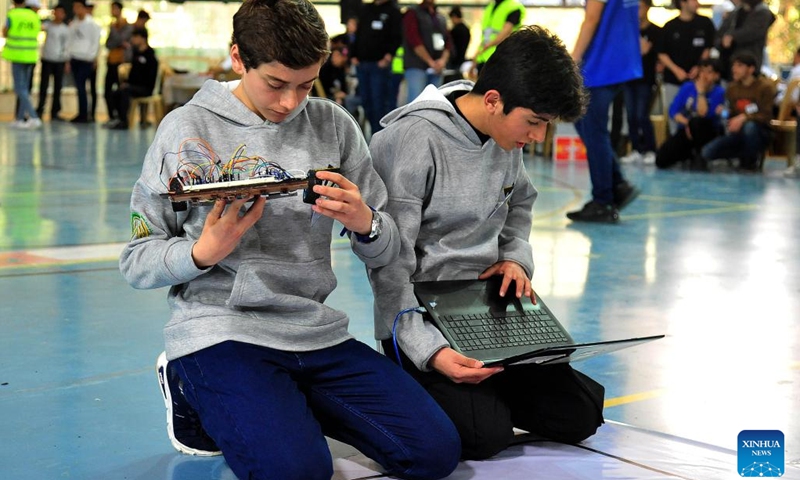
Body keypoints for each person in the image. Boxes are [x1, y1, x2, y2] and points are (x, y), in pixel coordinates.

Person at [118, 0, 460, 479]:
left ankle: (278, 406)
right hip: (221, 329)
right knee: (298, 473)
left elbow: (388, 248)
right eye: (276, 84)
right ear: (238, 58)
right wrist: (201, 253)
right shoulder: (185, 130)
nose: (290, 103)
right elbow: (136, 259)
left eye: (306, 85)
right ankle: (188, 384)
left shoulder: (335, 125)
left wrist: (367, 223)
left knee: (434, 453)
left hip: (315, 331)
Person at [367, 25, 605, 461]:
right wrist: (427, 351)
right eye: (534, 123)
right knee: (484, 437)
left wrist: (515, 258)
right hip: (422, 311)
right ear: (493, 99)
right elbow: (389, 264)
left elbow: (521, 203)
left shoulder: (505, 135)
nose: (538, 138)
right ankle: (406, 378)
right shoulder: (412, 141)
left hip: (484, 305)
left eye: (546, 125)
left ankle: (488, 385)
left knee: (583, 414)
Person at [567, 0, 642, 223]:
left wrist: (572, 60)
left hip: (602, 63)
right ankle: (617, 184)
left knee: (593, 130)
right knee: (583, 123)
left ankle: (603, 201)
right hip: (621, 59)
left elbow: (592, 18)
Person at [700, 51, 775, 172]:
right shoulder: (732, 88)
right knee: (707, 152)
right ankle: (741, 155)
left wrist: (744, 118)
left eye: (739, 66)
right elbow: (731, 113)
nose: (734, 69)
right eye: (733, 66)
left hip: (759, 131)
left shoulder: (764, 87)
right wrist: (723, 112)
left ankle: (750, 160)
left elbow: (766, 115)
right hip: (737, 132)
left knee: (749, 127)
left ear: (751, 69)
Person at [655, 58, 725, 170]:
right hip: (686, 129)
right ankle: (687, 155)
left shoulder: (719, 92)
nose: (704, 76)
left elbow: (704, 114)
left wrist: (701, 92)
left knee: (697, 122)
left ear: (717, 76)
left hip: (707, 132)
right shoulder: (688, 87)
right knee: (661, 159)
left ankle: (700, 156)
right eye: (702, 71)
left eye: (709, 72)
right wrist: (687, 124)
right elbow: (673, 110)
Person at [658, 0, 716, 134]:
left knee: (698, 113)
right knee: (674, 113)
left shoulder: (705, 23)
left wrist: (699, 67)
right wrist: (676, 70)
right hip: (674, 79)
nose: (696, 3)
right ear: (682, 3)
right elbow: (662, 53)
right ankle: (675, 144)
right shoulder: (670, 26)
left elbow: (708, 48)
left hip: (697, 79)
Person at [350, 0, 402, 135]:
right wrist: (353, 54)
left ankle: (380, 137)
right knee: (366, 102)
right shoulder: (366, 9)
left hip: (379, 66)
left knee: (379, 103)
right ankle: (371, 136)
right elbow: (358, 33)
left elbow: (397, 37)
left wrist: (388, 57)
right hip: (362, 64)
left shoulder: (393, 12)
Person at [620, 0, 662, 165]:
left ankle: (651, 149)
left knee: (642, 114)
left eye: (641, 7)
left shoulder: (655, 31)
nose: (637, 11)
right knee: (630, 116)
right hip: (629, 79)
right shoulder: (628, 30)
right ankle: (636, 149)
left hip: (646, 79)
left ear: (647, 8)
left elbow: (651, 53)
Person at [105, 27, 158, 130]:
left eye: (135, 37)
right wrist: (127, 82)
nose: (132, 39)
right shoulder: (136, 53)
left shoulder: (150, 55)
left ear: (142, 38)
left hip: (145, 87)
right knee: (116, 92)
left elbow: (150, 77)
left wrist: (131, 85)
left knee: (125, 91)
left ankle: (124, 122)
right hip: (133, 86)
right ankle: (118, 118)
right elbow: (133, 73)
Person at [2, 0, 42, 129]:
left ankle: (33, 116)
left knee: (20, 89)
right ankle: (20, 118)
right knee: (24, 87)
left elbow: (5, 31)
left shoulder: (13, 14)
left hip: (17, 55)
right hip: (30, 55)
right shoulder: (34, 16)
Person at [402, 0, 451, 104]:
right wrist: (430, 62)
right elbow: (414, 40)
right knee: (416, 104)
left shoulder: (439, 17)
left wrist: (442, 61)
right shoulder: (413, 13)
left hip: (437, 67)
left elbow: (448, 43)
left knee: (435, 104)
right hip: (417, 66)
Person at [715, 0, 774, 83]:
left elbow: (751, 32)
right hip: (727, 66)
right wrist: (723, 41)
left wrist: (732, 37)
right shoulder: (735, 13)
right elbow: (720, 35)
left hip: (748, 66)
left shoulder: (762, 12)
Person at [67, 0, 101, 123]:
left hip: (87, 59)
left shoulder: (92, 24)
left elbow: (95, 42)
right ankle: (82, 112)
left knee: (83, 86)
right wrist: (68, 58)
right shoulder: (73, 24)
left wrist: (91, 57)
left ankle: (85, 114)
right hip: (75, 58)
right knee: (79, 86)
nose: (77, 9)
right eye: (74, 7)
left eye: (79, 7)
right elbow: (69, 42)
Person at [36, 4, 70, 121]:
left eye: (60, 12)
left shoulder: (65, 29)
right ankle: (40, 109)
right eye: (56, 12)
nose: (58, 14)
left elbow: (66, 47)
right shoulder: (48, 26)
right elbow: (39, 27)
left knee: (57, 87)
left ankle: (55, 111)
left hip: (59, 61)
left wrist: (66, 61)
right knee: (43, 86)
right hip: (47, 59)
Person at [473, 0, 525, 73]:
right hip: (484, 60)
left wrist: (487, 46)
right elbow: (485, 37)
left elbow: (506, 32)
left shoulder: (513, 7)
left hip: (502, 59)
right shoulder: (490, 7)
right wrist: (474, 62)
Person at [104, 1, 133, 125]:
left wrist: (114, 32)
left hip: (122, 63)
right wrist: (119, 43)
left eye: (114, 9)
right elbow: (108, 44)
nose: (112, 11)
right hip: (111, 61)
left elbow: (120, 39)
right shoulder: (112, 25)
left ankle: (121, 117)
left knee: (120, 91)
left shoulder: (127, 25)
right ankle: (111, 115)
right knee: (107, 90)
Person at [443, 6, 470, 84]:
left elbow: (450, 46)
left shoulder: (455, 31)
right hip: (462, 59)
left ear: (454, 16)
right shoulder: (466, 29)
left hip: (453, 61)